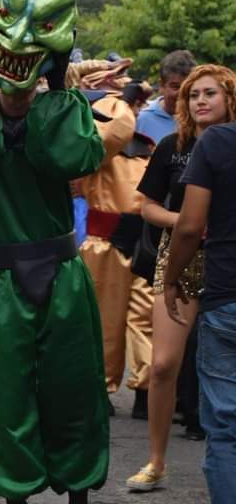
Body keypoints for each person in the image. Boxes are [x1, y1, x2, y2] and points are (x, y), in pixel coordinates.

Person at [0, 62, 108, 503]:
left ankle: (79, 492)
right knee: (6, 398)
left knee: (74, 390)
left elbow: (76, 159)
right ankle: (17, 494)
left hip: (60, 271)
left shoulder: (59, 112)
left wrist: (55, 92)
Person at [127, 65, 236, 491]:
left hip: (224, 265)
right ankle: (156, 461)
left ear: (229, 97)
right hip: (182, 260)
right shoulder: (175, 145)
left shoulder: (226, 145)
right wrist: (187, 220)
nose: (200, 101)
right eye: (192, 95)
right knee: (163, 363)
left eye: (210, 93)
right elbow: (147, 207)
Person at [72, 60, 154, 418]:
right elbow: (112, 127)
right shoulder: (95, 139)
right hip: (104, 242)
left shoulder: (149, 147)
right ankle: (101, 387)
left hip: (143, 241)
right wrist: (111, 94)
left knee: (145, 318)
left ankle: (146, 390)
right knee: (103, 321)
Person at [164, 96, 236, 503]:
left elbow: (191, 226)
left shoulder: (217, 142)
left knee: (227, 428)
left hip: (228, 297)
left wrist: (172, 279)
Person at [136, 50, 195, 144]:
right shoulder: (142, 119)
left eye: (187, 87)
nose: (182, 94)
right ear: (162, 85)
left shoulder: (199, 119)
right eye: (176, 87)